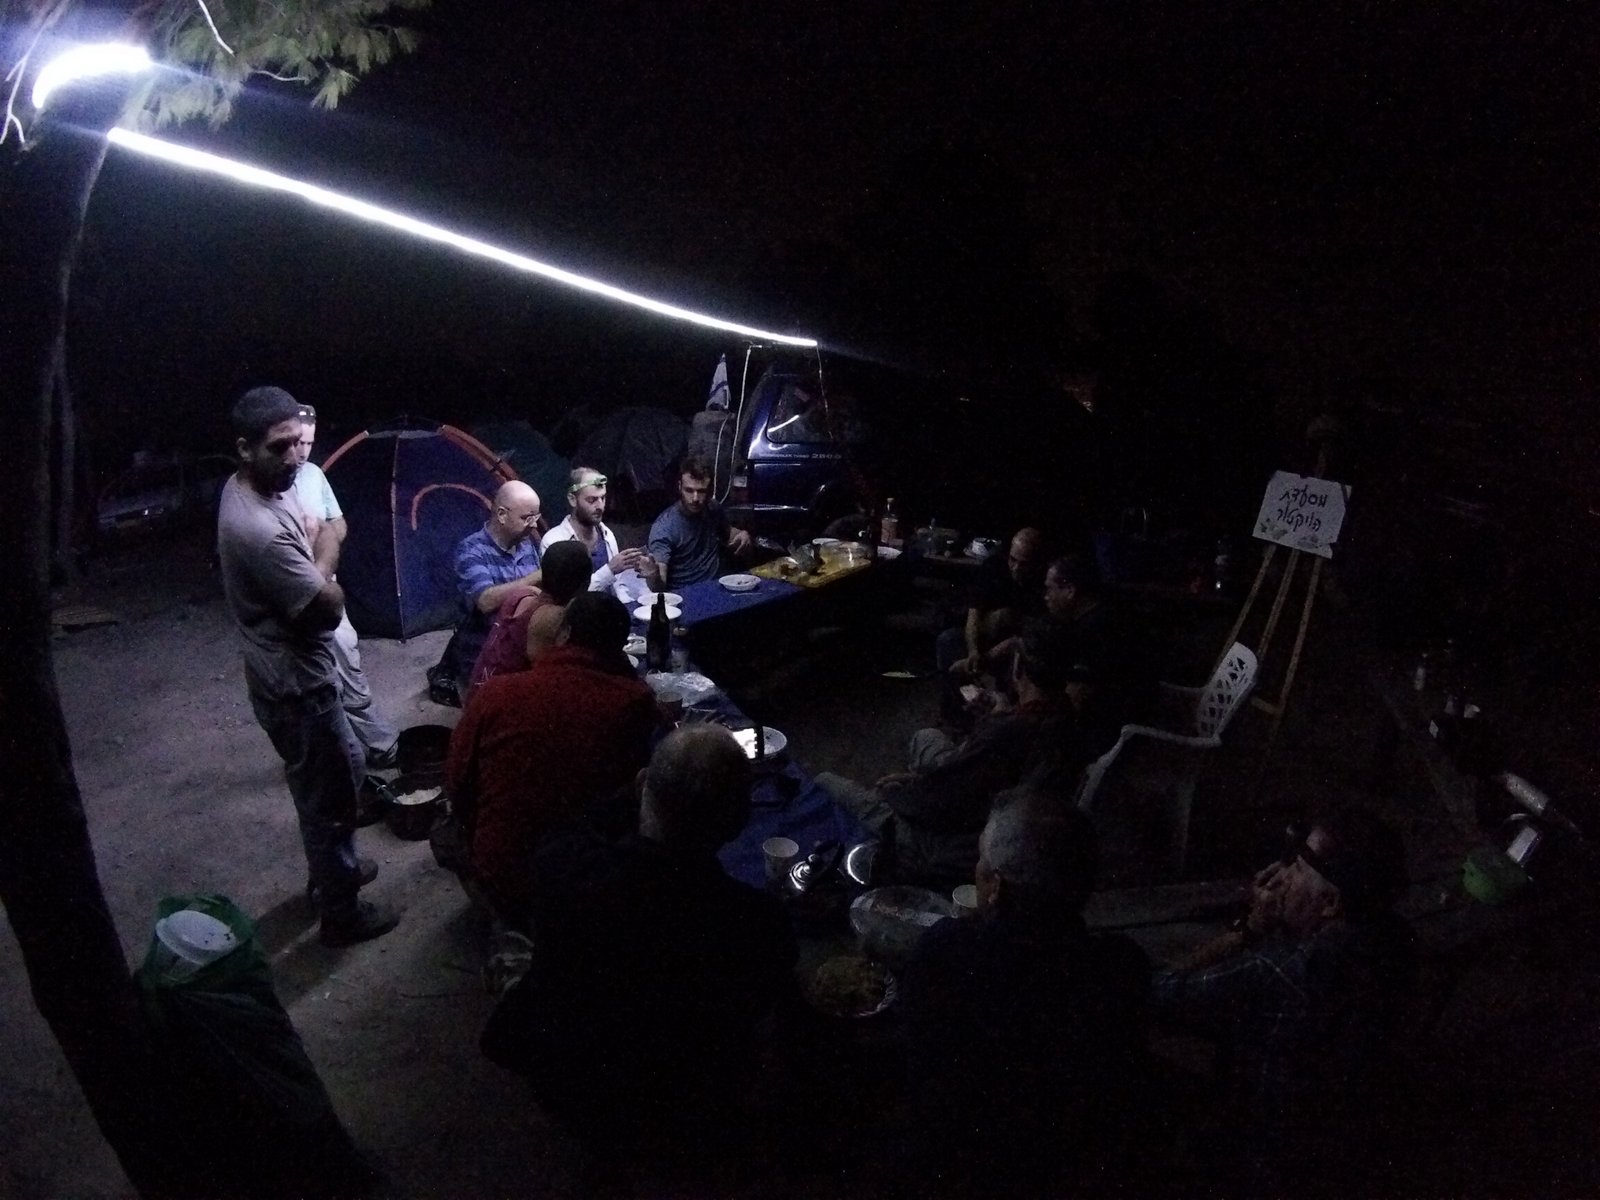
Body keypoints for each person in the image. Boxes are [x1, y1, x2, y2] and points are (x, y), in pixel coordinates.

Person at [480, 725, 796, 1156]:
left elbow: (583, 823)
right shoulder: (756, 924)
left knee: (511, 938)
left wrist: (643, 791)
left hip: (572, 1086)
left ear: (641, 785)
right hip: (685, 1106)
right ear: (740, 822)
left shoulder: (564, 864)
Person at [215, 386, 398, 947]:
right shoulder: (259, 530)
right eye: (280, 447)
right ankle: (341, 913)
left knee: (332, 779)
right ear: (244, 448)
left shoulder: (255, 484)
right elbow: (328, 606)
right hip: (296, 686)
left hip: (292, 676)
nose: (296, 457)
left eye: (300, 442)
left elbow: (328, 533)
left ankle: (331, 872)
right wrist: (325, 554)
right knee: (330, 798)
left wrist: (321, 545)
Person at [898, 793, 1151, 1196]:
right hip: (1071, 1167)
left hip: (963, 1166)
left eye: (982, 861)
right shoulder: (1123, 968)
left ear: (996, 887)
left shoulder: (946, 953)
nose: (976, 868)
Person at [1151, 809, 1416, 1195]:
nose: (1284, 874)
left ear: (1330, 902)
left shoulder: (1279, 970)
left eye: (1299, 868)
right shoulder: (1399, 941)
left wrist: (1248, 928)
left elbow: (1159, 993)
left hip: (1262, 1159)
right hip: (1341, 1143)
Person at [444, 591, 660, 928]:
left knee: (448, 826)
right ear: (620, 647)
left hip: (504, 871)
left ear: (564, 633)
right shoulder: (635, 701)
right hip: (589, 877)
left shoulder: (497, 693)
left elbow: (456, 780)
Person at [816, 621, 1077, 886]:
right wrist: (998, 715)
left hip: (943, 841)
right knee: (926, 737)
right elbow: (965, 774)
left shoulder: (1004, 733)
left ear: (1018, 669)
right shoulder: (1064, 716)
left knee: (825, 782)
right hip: (983, 808)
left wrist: (902, 788)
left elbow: (938, 800)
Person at [290, 403, 398, 769]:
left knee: (347, 658)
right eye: (298, 443)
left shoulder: (313, 475)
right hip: (293, 596)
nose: (303, 451)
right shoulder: (273, 486)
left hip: (325, 584)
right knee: (314, 676)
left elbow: (338, 523)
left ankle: (376, 745)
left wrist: (323, 535)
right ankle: (341, 751)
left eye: (309, 443)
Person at [439, 480, 545, 696]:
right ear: (502, 514)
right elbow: (485, 600)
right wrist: (535, 578)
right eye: (527, 518)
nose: (534, 525)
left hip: (517, 648)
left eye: (536, 517)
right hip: (481, 654)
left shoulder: (526, 545)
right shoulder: (471, 550)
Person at [464, 539, 592, 700]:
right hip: (498, 703)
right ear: (585, 582)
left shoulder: (524, 593)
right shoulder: (554, 620)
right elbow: (552, 683)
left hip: (479, 691)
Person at [935, 526, 1047, 676]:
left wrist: (987, 658)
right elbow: (974, 613)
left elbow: (1030, 634)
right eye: (1013, 560)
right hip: (986, 633)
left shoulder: (1044, 582)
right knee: (948, 639)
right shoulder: (994, 567)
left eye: (1024, 564)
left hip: (1019, 642)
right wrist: (973, 651)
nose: (1016, 568)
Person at [645, 457, 752, 588]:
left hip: (719, 586)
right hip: (686, 593)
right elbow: (659, 587)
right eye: (689, 490)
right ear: (679, 487)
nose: (695, 498)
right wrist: (653, 575)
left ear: (710, 490)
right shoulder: (664, 528)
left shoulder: (713, 508)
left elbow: (727, 532)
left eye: (701, 491)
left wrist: (741, 534)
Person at [539, 466, 648, 593]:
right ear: (573, 499)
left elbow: (615, 585)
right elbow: (565, 595)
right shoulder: (554, 542)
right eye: (592, 500)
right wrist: (610, 570)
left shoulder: (606, 535)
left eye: (603, 498)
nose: (600, 506)